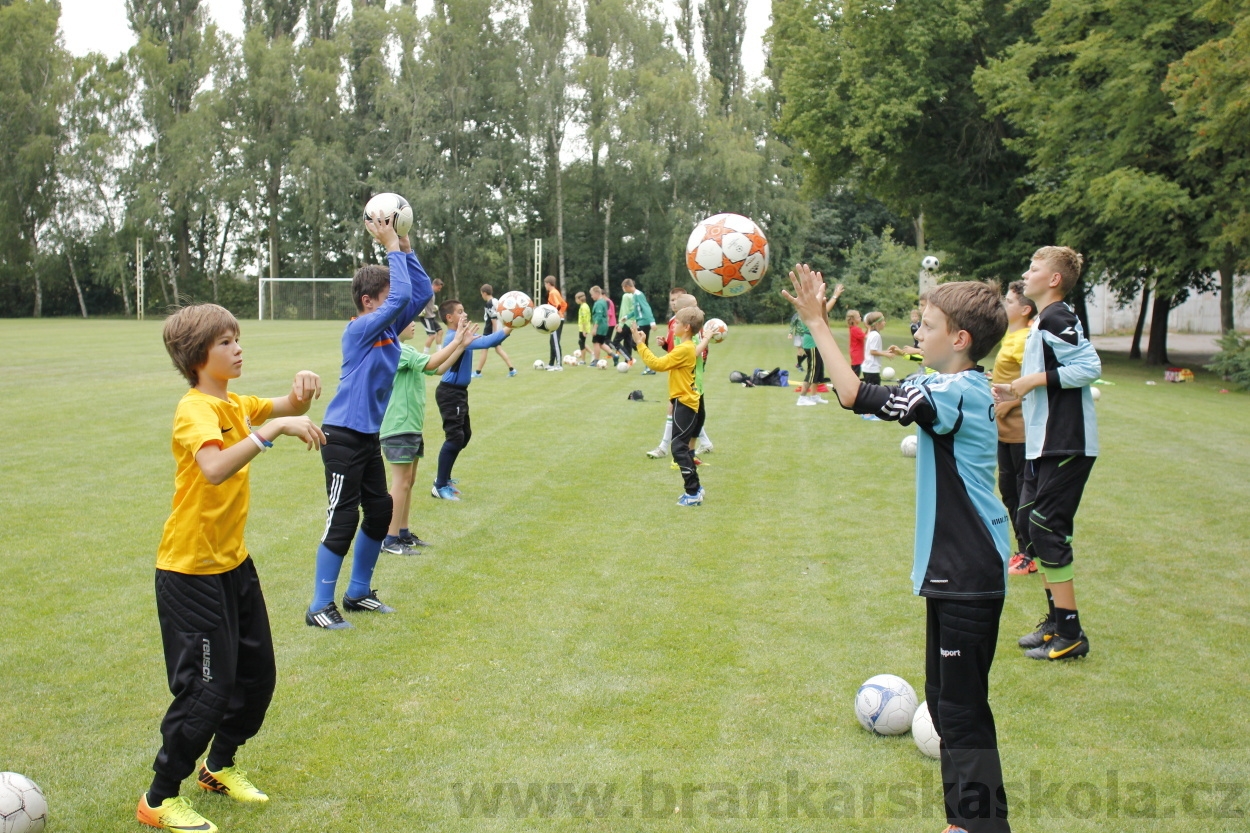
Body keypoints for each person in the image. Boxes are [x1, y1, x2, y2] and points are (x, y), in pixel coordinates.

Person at [785, 264, 1012, 833]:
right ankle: (965, 822)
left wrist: (817, 324)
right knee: (948, 700)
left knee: (959, 712)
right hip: (959, 570)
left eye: (928, 324)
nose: (918, 329)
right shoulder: (968, 383)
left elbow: (853, 394)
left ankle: (983, 826)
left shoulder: (951, 390)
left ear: (959, 339)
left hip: (967, 569)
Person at [139, 304, 326, 833]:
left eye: (237, 339)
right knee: (206, 688)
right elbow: (215, 467)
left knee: (256, 676)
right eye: (226, 342)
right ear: (199, 356)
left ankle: (218, 769)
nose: (238, 348)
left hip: (232, 566)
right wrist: (276, 430)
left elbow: (288, 403)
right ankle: (158, 797)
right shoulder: (195, 408)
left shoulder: (236, 403)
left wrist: (302, 393)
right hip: (189, 572)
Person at [306, 215, 433, 630]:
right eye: (386, 295)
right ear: (368, 302)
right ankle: (319, 606)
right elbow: (400, 301)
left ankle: (358, 593)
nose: (395, 301)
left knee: (379, 513)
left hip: (366, 438)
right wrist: (390, 248)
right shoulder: (360, 329)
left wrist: (406, 244)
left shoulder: (390, 331)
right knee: (341, 520)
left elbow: (418, 293)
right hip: (340, 437)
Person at [993, 246, 1100, 661]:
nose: (1027, 272)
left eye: (1034, 268)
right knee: (1033, 526)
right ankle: (1056, 622)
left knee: (1046, 528)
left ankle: (1070, 634)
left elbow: (1089, 366)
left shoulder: (1058, 316)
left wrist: (1031, 381)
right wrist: (1011, 388)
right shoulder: (1042, 322)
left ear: (1054, 279)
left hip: (1066, 442)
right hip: (1043, 443)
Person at [380, 316, 476, 555]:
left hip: (411, 424)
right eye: (408, 320)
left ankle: (402, 533)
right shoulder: (395, 350)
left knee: (409, 481)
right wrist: (457, 342)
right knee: (400, 482)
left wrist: (461, 346)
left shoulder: (407, 350)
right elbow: (433, 361)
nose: (414, 324)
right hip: (398, 425)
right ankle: (389, 540)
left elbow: (437, 368)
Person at [431, 299, 513, 499]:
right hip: (450, 393)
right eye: (460, 311)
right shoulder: (454, 338)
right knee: (455, 437)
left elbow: (487, 339)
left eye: (464, 309)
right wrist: (511, 325)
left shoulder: (462, 336)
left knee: (464, 435)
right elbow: (488, 341)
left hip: (458, 392)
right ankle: (439, 485)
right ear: (450, 318)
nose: (465, 314)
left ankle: (444, 478)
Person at [633, 305, 707, 506]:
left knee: (678, 448)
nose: (673, 326)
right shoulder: (686, 346)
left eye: (677, 323)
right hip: (683, 400)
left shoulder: (684, 348)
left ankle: (692, 493)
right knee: (681, 447)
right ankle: (696, 489)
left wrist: (640, 344)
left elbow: (657, 364)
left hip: (685, 402)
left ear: (687, 327)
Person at [991, 281, 1038, 576]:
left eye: (1008, 301)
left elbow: (1032, 382)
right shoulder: (1010, 337)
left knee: (1023, 494)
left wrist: (1005, 405)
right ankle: (1022, 550)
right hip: (1004, 432)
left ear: (1024, 309)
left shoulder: (1024, 339)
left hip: (1022, 432)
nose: (1003, 305)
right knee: (1009, 491)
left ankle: (1030, 555)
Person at [646, 293, 711, 458]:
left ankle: (685, 451)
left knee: (694, 415)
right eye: (693, 306)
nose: (697, 309)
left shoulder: (694, 327)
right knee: (687, 413)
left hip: (694, 377)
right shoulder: (677, 325)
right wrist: (665, 345)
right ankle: (678, 451)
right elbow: (678, 352)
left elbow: (690, 353)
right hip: (684, 378)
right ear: (684, 310)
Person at [797, 283, 844, 405]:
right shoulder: (806, 305)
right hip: (811, 343)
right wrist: (835, 296)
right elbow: (824, 311)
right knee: (812, 372)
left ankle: (814, 396)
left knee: (818, 371)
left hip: (816, 342)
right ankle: (802, 398)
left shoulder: (809, 303)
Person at [472, 284, 516, 378]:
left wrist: (495, 333)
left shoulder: (489, 303)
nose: (481, 296)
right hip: (497, 329)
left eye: (481, 294)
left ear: (484, 293)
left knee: (484, 349)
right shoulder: (496, 301)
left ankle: (478, 372)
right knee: (498, 349)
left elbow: (493, 318)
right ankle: (512, 369)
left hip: (490, 330)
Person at [544, 275, 568, 369]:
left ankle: (559, 365)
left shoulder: (552, 293)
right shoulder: (556, 292)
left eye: (545, 284)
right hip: (558, 319)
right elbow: (564, 304)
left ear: (548, 284)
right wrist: (561, 313)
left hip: (556, 320)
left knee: (555, 342)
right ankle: (551, 364)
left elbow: (557, 305)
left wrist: (555, 315)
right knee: (552, 341)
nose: (545, 286)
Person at [861, 311, 889, 385]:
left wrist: (886, 352)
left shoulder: (872, 334)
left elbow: (875, 350)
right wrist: (886, 354)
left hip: (870, 369)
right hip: (872, 369)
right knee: (873, 393)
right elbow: (872, 352)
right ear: (877, 323)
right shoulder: (876, 335)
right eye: (883, 321)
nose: (884, 323)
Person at [420, 278, 444, 353]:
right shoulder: (428, 291)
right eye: (439, 288)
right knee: (432, 335)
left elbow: (428, 303)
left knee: (440, 331)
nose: (439, 290)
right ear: (435, 285)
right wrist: (421, 309)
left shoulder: (432, 293)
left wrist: (433, 307)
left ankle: (439, 352)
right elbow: (421, 300)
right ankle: (424, 355)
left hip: (431, 316)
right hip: (426, 317)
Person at [846, 310, 866, 377]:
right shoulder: (855, 329)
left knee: (856, 371)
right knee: (856, 374)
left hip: (855, 353)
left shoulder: (853, 328)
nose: (860, 318)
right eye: (858, 317)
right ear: (853, 320)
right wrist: (869, 328)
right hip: (857, 354)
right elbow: (865, 337)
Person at [575, 291, 592, 363]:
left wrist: (584, 330)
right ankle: (592, 353)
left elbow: (584, 319)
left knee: (581, 343)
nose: (575, 301)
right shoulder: (584, 306)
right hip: (583, 328)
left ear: (579, 299)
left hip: (583, 328)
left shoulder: (583, 307)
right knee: (581, 342)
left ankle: (583, 360)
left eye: (576, 299)